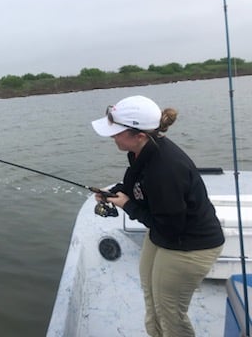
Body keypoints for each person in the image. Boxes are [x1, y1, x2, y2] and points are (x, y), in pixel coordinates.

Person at [91, 95, 225, 337]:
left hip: (189, 244)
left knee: (170, 312)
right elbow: (134, 185)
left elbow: (170, 226)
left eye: (116, 131)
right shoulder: (140, 151)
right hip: (165, 233)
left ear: (139, 135)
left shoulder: (166, 169)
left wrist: (129, 206)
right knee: (152, 295)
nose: (111, 136)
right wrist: (114, 193)